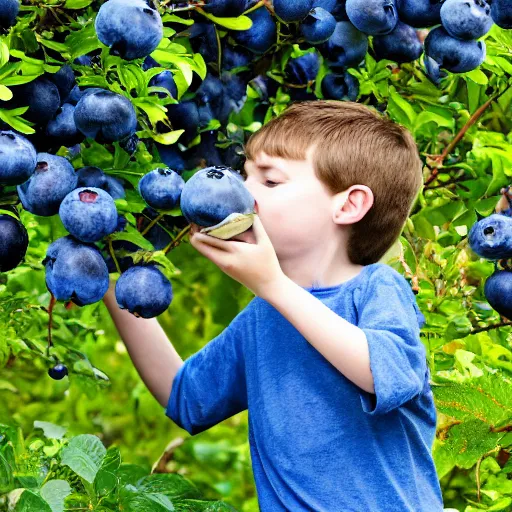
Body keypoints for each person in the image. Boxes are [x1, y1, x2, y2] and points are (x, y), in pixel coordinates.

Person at [103, 100, 445, 511]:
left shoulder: (374, 287)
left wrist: (274, 287)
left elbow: (384, 373)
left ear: (348, 205)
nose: (241, 193)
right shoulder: (265, 314)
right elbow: (185, 397)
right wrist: (109, 279)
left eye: (269, 182)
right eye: (244, 174)